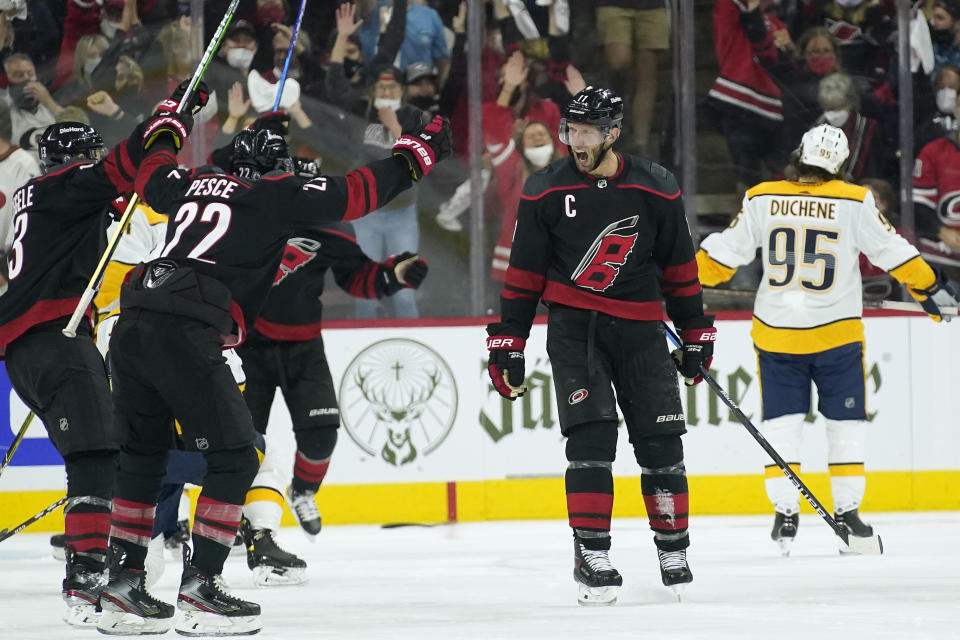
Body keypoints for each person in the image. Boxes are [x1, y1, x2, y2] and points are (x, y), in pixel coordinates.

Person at [99, 72, 451, 633]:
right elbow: (359, 191)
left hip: (134, 324)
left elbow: (150, 165)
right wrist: (418, 153)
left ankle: (122, 584)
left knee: (142, 456)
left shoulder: (187, 183)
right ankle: (202, 587)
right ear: (274, 170)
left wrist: (172, 116)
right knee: (238, 457)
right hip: (188, 331)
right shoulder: (276, 195)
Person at [485, 87, 712, 605]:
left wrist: (695, 331)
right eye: (571, 130)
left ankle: (673, 547)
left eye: (586, 131)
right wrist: (508, 343)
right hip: (575, 329)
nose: (575, 140)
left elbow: (680, 269)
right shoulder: (544, 188)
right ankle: (593, 555)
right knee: (590, 442)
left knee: (661, 446)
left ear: (612, 133)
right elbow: (523, 275)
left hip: (641, 330)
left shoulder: (656, 186)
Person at [695, 124, 959, 555]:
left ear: (798, 154)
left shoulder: (762, 197)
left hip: (777, 333)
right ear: (842, 165)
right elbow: (893, 251)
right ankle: (849, 516)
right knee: (845, 426)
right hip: (837, 335)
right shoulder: (855, 200)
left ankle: (785, 514)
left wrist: (679, 278)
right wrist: (931, 288)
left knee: (782, 423)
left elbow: (726, 254)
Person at [0, 112, 158, 628]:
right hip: (56, 340)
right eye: (89, 156)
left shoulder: (41, 194)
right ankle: (87, 582)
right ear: (77, 160)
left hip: (33, 346)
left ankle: (91, 571)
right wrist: (167, 118)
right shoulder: (67, 185)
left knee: (94, 455)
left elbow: (115, 197)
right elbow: (119, 169)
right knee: (96, 456)